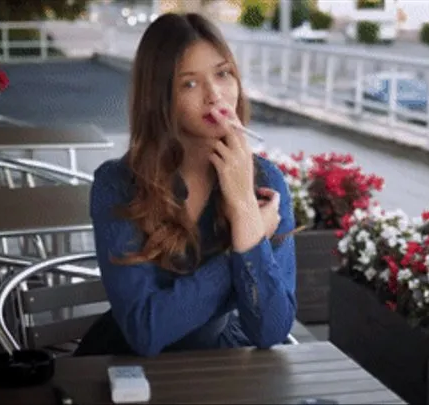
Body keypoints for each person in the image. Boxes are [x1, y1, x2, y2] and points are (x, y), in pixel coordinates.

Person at [74, 13, 297, 357]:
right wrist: (248, 244)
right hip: (125, 372)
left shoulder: (265, 182)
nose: (214, 96)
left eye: (223, 74)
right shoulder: (118, 184)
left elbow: (270, 330)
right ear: (159, 98)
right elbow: (145, 330)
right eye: (189, 83)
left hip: (214, 370)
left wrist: (242, 206)